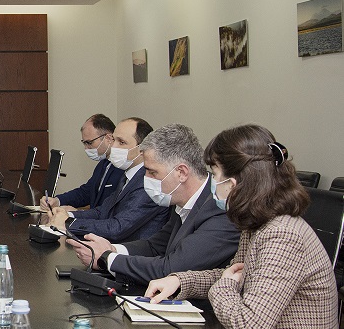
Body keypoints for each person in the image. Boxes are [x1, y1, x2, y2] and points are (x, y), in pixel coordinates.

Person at [146, 125, 344, 329]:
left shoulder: (282, 234)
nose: (211, 182)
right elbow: (235, 275)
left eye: (214, 173)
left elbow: (251, 326)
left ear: (233, 183)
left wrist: (224, 288)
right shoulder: (258, 224)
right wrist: (181, 281)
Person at [67, 123, 240, 285]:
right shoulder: (182, 200)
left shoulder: (220, 210)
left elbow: (171, 269)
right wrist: (112, 249)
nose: (146, 179)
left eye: (152, 172)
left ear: (181, 173)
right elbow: (154, 246)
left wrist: (107, 258)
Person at [43, 117, 169, 243]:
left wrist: (68, 222)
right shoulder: (128, 175)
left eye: (121, 142)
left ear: (142, 149)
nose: (113, 146)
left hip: (132, 252)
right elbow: (103, 211)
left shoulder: (149, 181)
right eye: (114, 140)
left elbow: (117, 228)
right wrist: (68, 214)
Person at [42, 113, 123, 210]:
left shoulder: (122, 167)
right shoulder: (103, 164)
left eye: (89, 142)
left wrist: (77, 214)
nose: (86, 148)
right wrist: (57, 201)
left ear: (108, 138)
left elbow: (111, 211)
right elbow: (86, 192)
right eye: (84, 143)